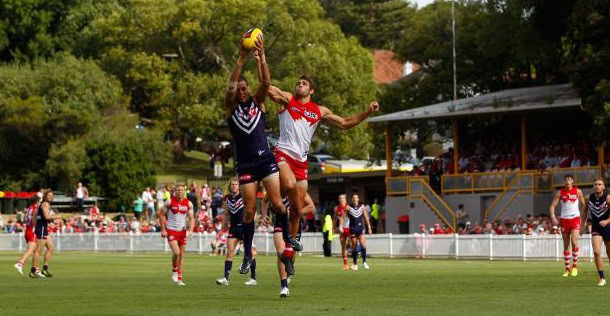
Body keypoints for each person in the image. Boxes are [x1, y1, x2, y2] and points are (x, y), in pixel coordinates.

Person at [268, 76, 379, 272]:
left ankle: (288, 253)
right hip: (283, 153)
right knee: (290, 185)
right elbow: (266, 88)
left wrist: (368, 112)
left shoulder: (319, 111)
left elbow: (345, 123)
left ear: (311, 91)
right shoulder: (287, 99)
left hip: (301, 162)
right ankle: (273, 203)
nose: (299, 85)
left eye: (304, 84)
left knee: (296, 211)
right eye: (298, 83)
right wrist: (261, 60)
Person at [223, 31, 291, 275]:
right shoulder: (230, 108)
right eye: (239, 89)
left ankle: (290, 239)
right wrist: (241, 59)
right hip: (246, 165)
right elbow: (230, 86)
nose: (241, 91)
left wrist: (262, 58)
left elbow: (266, 83)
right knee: (249, 209)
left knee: (276, 203)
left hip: (265, 159)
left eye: (244, 88)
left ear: (248, 89)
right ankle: (248, 254)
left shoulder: (258, 101)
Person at [216, 177, 258, 286]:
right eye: (232, 184)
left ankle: (253, 278)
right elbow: (226, 214)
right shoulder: (228, 199)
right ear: (230, 186)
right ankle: (226, 278)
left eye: (236, 184)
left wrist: (253, 222)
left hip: (245, 227)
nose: (234, 186)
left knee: (250, 252)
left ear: (239, 186)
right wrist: (222, 228)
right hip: (233, 228)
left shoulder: (244, 196)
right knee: (229, 252)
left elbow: (252, 209)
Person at [158, 184, 194, 286]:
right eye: (178, 190)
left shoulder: (189, 204)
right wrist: (163, 229)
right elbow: (161, 215)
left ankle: (180, 279)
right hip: (171, 230)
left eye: (182, 190)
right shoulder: (169, 202)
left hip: (182, 232)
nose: (180, 192)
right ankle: (174, 269)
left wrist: (190, 230)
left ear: (184, 192)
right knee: (177, 253)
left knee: (182, 256)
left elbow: (191, 218)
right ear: (175, 191)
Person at [550, 174, 585, 277]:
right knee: (566, 245)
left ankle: (574, 266)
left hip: (575, 218)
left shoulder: (578, 191)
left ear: (572, 181)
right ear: (564, 181)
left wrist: (583, 218)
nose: (567, 181)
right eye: (566, 180)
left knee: (574, 242)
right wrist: (553, 216)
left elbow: (584, 205)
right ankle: (566, 269)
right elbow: (552, 205)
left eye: (569, 179)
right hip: (564, 220)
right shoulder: (560, 192)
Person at [582, 177, 610, 286]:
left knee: (609, 252)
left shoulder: (608, 198)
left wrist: (607, 221)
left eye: (599, 184)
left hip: (608, 226)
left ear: (603, 186)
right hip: (596, 227)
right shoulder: (588, 198)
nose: (597, 186)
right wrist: (582, 224)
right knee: (597, 252)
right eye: (595, 185)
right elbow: (584, 211)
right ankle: (602, 277)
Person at [32, 190, 62, 278]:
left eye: (51, 195)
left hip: (42, 228)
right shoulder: (45, 204)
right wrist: (57, 216)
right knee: (38, 251)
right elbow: (47, 217)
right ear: (45, 196)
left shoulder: (42, 204)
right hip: (41, 229)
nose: (50, 197)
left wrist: (36, 225)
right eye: (49, 195)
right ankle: (33, 271)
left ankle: (45, 269)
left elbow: (34, 215)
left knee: (50, 248)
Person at [14, 192, 42, 277]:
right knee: (31, 250)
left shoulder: (29, 207)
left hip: (28, 230)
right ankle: (20, 263)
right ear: (37, 200)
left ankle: (36, 269)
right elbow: (36, 219)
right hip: (32, 231)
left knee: (36, 251)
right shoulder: (36, 208)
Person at [343, 193, 372, 270]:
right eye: (353, 198)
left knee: (363, 245)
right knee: (354, 247)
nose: (355, 199)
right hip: (352, 229)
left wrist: (369, 227)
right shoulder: (348, 207)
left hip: (360, 228)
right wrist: (341, 226)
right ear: (351, 199)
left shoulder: (362, 207)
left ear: (358, 199)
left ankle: (364, 262)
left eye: (356, 198)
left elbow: (366, 217)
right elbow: (343, 217)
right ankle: (355, 264)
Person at [333, 194, 351, 270]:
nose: (341, 200)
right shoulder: (337, 208)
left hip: (350, 228)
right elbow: (334, 219)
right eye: (340, 198)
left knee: (352, 244)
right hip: (342, 230)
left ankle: (354, 263)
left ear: (345, 199)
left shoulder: (349, 207)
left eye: (342, 198)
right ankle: (345, 264)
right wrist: (333, 228)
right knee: (343, 246)